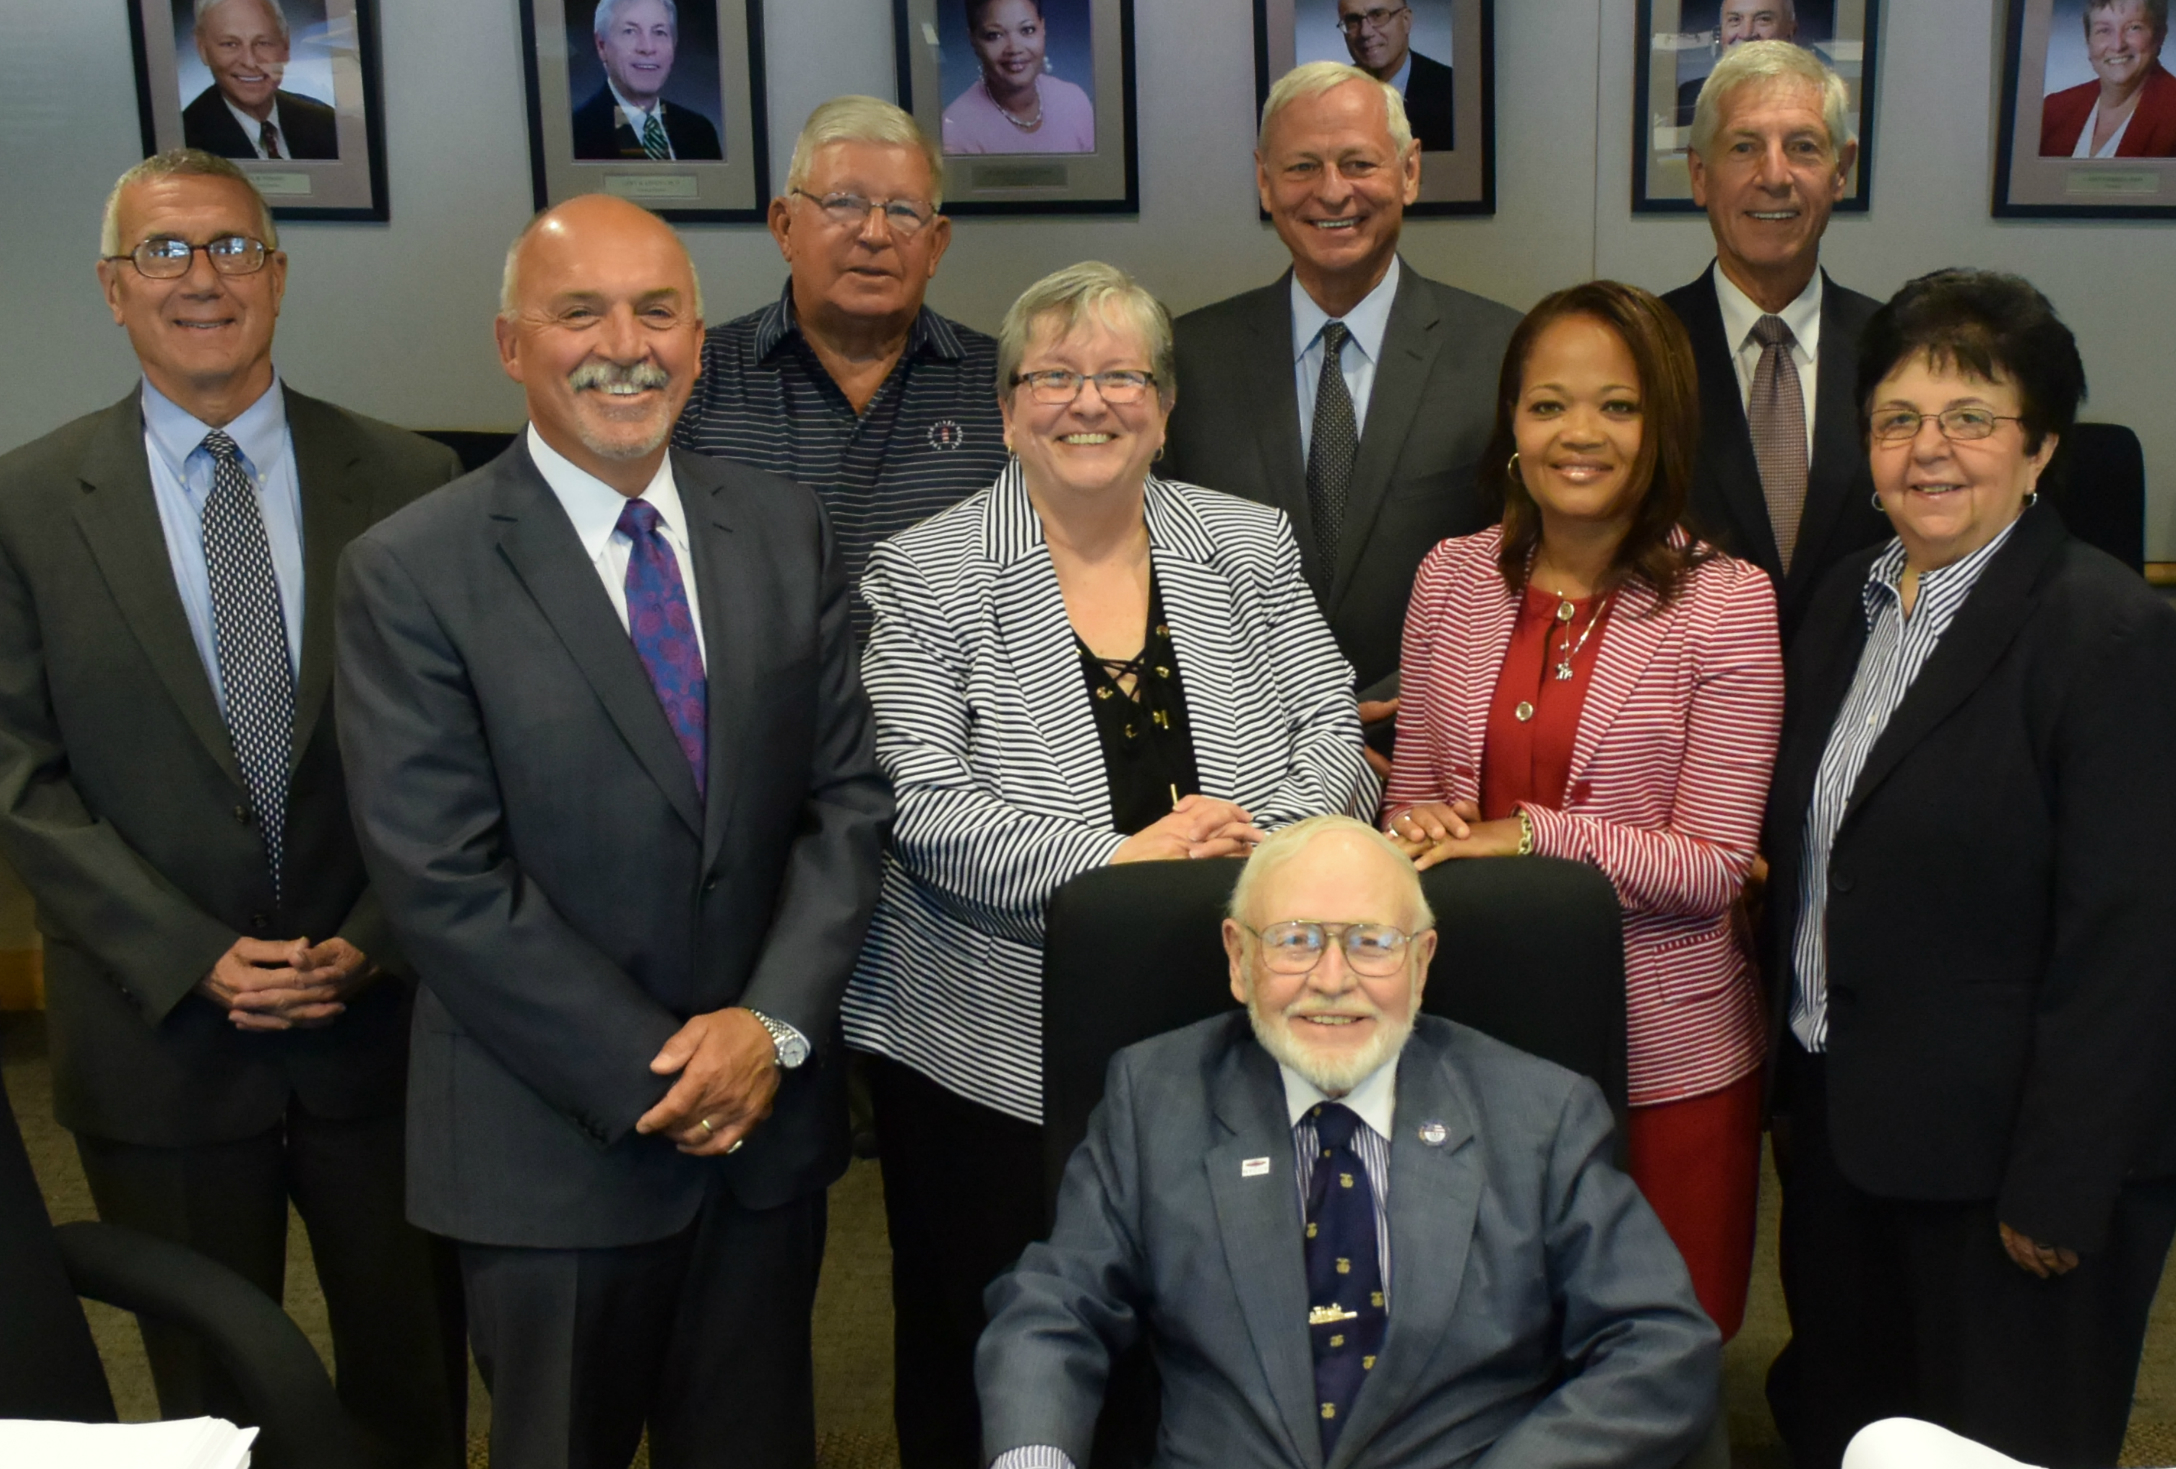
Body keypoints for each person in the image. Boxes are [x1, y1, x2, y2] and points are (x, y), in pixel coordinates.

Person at [334, 194, 891, 1469]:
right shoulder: (412, 568)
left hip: (763, 1135)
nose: (622, 343)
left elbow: (846, 802)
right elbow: (441, 878)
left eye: (656, 310)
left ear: (700, 340)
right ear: (509, 344)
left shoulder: (783, 527)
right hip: (549, 1149)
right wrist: (668, 1076)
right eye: (579, 310)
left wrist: (768, 1030)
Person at [847, 262, 1377, 1469]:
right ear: (1007, 407)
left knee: (1204, 1325)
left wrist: (1252, 861)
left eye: (1121, 375)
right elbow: (922, 802)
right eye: (1055, 377)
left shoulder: (1244, 542)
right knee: (994, 1333)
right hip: (993, 1046)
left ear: (1164, 403)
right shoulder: (922, 572)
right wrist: (1120, 864)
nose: (1089, 402)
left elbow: (1329, 729)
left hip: (1222, 1013)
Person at [0, 149, 463, 1466]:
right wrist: (190, 953)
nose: (201, 278)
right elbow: (18, 778)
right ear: (112, 288)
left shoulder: (413, 478)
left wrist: (376, 934)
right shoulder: (23, 505)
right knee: (208, 1393)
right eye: (164, 252)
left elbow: (456, 756)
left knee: (413, 1369)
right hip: (160, 1044)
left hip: (379, 1024)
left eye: (231, 248)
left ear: (277, 272)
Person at [1759, 269, 2176, 1469]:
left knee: (1996, 1442)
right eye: (1897, 418)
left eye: (1970, 418)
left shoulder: (2109, 634)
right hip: (1848, 1143)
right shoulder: (1848, 599)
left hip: (2012, 1176)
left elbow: (2133, 940)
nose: (1927, 450)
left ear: (2040, 448)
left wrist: (2062, 1183)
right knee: (1844, 1425)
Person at [976, 815, 1722, 1469]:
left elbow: (1659, 1341)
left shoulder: (1539, 1112)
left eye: (1371, 942)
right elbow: (1052, 1308)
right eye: (1296, 940)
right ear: (1239, 958)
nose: (1332, 979)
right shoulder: (1157, 1094)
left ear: (1423, 962)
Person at [1381, 280, 1783, 1341]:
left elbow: (1708, 864)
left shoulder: (1727, 598)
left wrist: (1518, 835)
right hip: (1471, 1028)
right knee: (1483, 1341)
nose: (1580, 434)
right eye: (1547, 403)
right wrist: (1422, 828)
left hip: (1664, 1047)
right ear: (1510, 423)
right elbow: (1413, 794)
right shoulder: (1451, 577)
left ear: (1663, 427)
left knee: (1657, 1348)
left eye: (1617, 405)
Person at [1164, 61, 1518, 771]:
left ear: (1410, 171)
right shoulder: (1185, 361)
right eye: (1302, 167)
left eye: (1359, 162)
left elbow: (1529, 568)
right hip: (1240, 766)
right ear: (1265, 181)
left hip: (1439, 758)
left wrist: (1411, 706)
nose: (1332, 191)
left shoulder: (1504, 352)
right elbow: (1155, 580)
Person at [675, 97, 1007, 646]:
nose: (875, 233)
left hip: (954, 721)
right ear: (784, 226)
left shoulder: (1003, 387)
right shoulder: (695, 379)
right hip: (755, 723)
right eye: (844, 203)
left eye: (903, 211)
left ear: (936, 244)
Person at [1664, 40, 1889, 649]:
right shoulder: (1639, 351)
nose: (1774, 176)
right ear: (1699, 175)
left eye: (1803, 147)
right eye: (1744, 147)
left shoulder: (1899, 352)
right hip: (1685, 726)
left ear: (1841, 171)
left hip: (1860, 716)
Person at [181, 0, 339, 161]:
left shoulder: (326, 123)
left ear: (286, 45)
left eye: (263, 43)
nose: (250, 62)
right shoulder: (185, 141)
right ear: (202, 49)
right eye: (230, 44)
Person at [571, 0, 724, 162]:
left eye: (659, 32)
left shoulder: (700, 131)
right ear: (601, 46)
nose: (647, 47)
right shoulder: (575, 135)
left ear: (673, 45)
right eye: (630, 31)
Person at [942, 0, 1096, 154]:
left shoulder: (1074, 101)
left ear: (1043, 28)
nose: (1014, 48)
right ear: (973, 40)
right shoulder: (955, 129)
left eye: (1027, 30)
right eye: (994, 35)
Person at [2040, 0, 2176, 158]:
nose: (2118, 45)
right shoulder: (2053, 109)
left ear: (2159, 36)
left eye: (2134, 28)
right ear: (2088, 40)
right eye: (2104, 30)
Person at [1335, 1, 1453, 155]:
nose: (1365, 32)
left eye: (1377, 15)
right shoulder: (1332, 96)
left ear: (1406, 21)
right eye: (1353, 20)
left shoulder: (1451, 89)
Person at [1674, 1, 1801, 127]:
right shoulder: (1689, 97)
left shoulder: (1812, 96)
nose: (1746, 33)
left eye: (1763, 19)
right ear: (1721, 31)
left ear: (1790, 32)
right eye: (1734, 20)